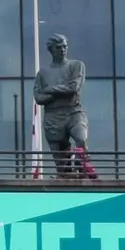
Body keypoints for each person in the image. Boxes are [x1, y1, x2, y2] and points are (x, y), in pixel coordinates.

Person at [33, 32, 95, 179]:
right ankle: (67, 179)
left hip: (74, 111)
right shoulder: (43, 73)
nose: (63, 50)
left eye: (65, 47)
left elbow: (74, 88)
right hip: (53, 117)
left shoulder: (76, 65)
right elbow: (38, 98)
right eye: (59, 47)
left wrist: (49, 90)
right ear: (51, 50)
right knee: (61, 166)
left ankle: (83, 168)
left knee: (81, 138)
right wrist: (62, 89)